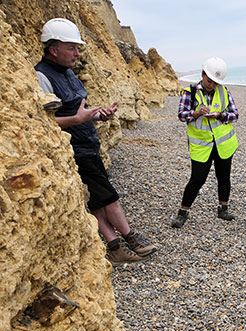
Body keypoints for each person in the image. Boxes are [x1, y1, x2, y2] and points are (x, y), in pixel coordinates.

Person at [35, 18, 156, 265]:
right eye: (71, 48)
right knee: (109, 197)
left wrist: (98, 115)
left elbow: (80, 110)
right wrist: (77, 119)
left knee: (99, 200)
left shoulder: (69, 73)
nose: (77, 53)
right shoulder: (41, 77)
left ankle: (114, 246)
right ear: (53, 49)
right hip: (75, 150)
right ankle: (130, 238)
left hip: (89, 146)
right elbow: (41, 123)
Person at [171, 56, 239, 228]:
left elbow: (234, 115)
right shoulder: (190, 92)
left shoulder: (224, 92)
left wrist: (220, 115)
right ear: (202, 75)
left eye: (215, 82)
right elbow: (181, 115)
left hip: (223, 144)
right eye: (209, 81)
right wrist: (196, 113)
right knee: (197, 179)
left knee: (223, 176)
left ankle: (223, 209)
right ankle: (183, 212)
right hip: (201, 145)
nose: (212, 85)